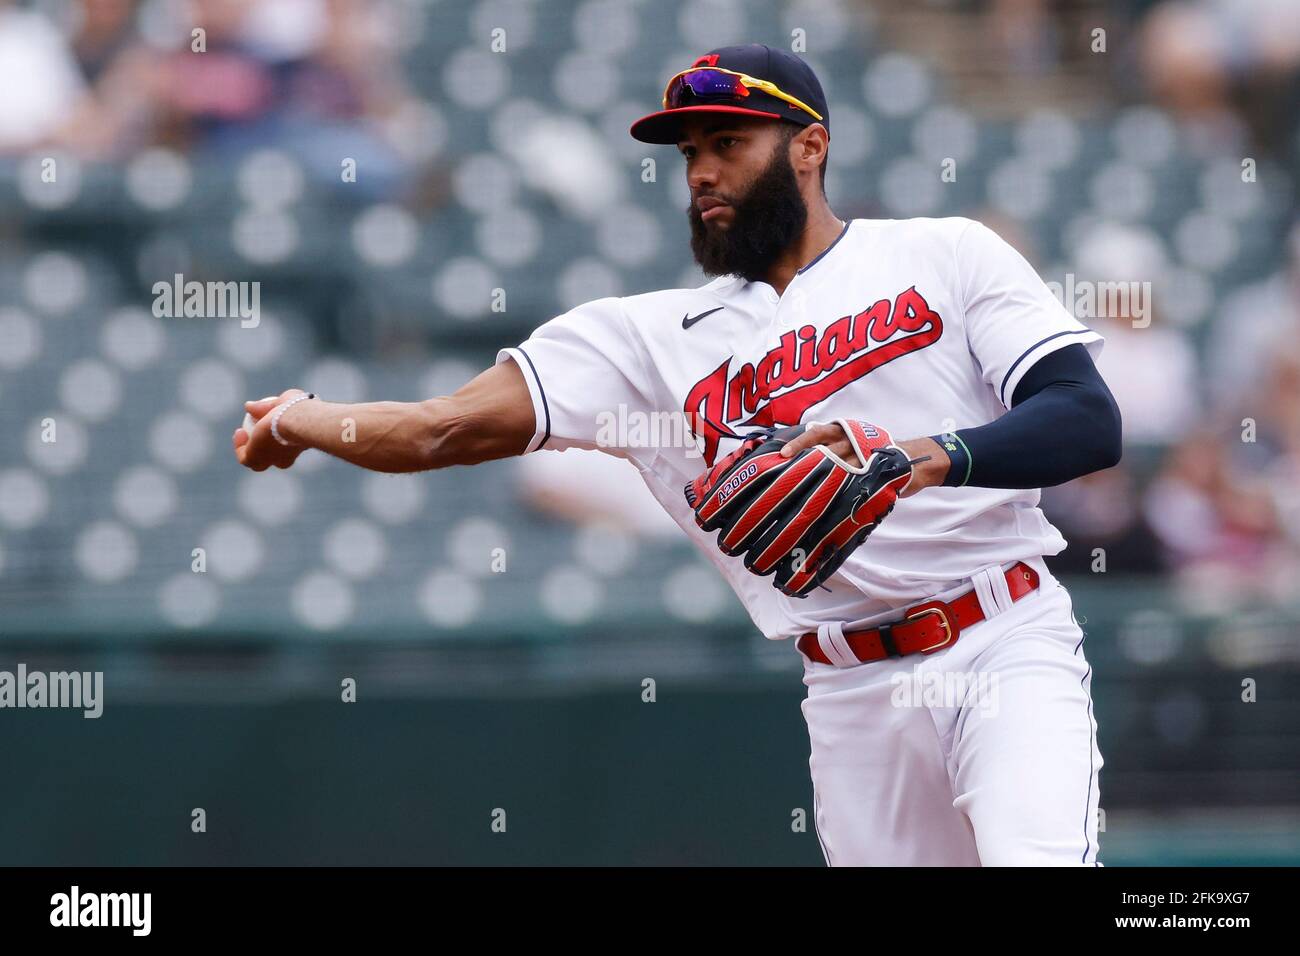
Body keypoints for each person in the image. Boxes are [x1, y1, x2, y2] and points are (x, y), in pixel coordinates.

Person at [234, 44, 1122, 866]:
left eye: (728, 143)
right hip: (851, 690)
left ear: (809, 147)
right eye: (690, 151)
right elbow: (440, 428)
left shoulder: (945, 253)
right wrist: (306, 419)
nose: (701, 172)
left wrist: (920, 459)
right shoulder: (644, 341)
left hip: (999, 639)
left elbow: (1085, 417)